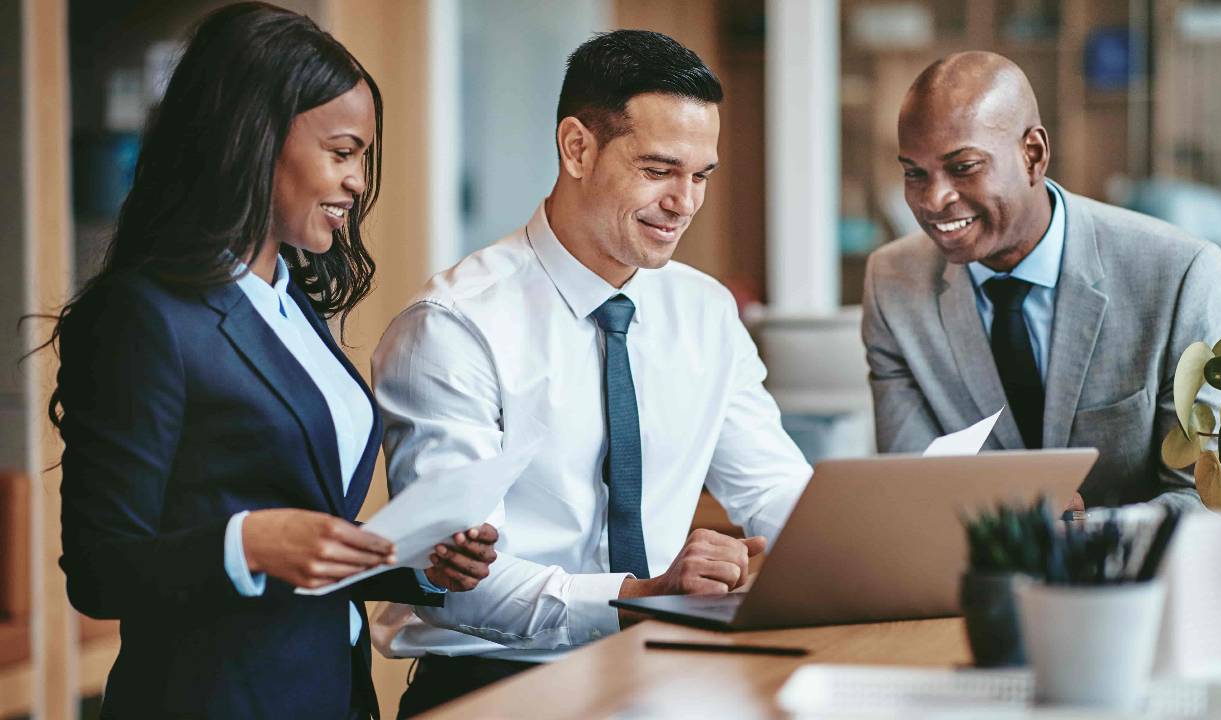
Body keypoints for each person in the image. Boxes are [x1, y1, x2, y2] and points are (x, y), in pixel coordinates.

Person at [51, 4, 497, 718]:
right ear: (254, 139)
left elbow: (307, 533)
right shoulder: (146, 316)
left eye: (362, 158)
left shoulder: (291, 307)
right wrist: (248, 543)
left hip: (333, 696)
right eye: (342, 151)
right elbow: (100, 571)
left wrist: (414, 562)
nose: (357, 182)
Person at [371, 29, 812, 715]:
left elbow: (775, 489)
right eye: (660, 170)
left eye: (701, 176)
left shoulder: (704, 312)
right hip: (494, 692)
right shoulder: (455, 326)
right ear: (577, 147)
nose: (685, 202)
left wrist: (865, 555)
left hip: (665, 679)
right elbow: (459, 583)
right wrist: (641, 597)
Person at [862, 51, 1221, 510]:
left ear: (1033, 155)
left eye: (963, 167)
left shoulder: (1180, 274)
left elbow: (1205, 497)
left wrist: (1084, 533)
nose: (934, 198)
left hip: (1136, 577)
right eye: (914, 173)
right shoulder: (892, 283)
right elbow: (913, 489)